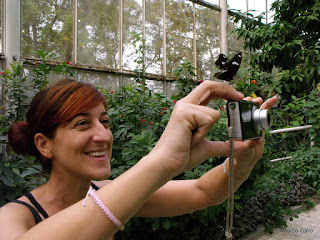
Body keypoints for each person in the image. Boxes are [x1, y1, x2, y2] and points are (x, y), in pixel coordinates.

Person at [0, 78, 277, 240]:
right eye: (82, 123)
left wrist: (242, 161)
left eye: (104, 121)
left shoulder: (105, 192)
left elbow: (202, 191)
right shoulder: (14, 217)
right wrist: (163, 160)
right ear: (44, 145)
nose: (103, 135)